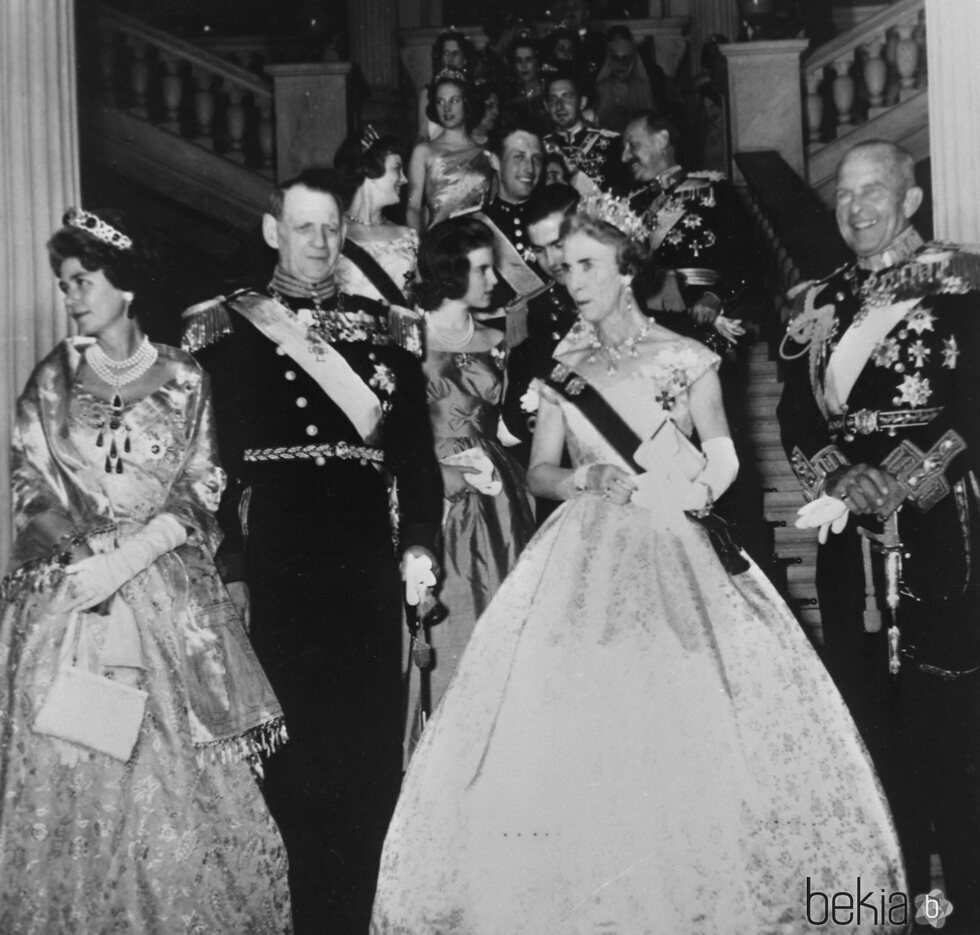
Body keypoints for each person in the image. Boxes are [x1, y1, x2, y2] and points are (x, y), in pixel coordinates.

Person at [370, 197, 906, 934]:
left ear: (627, 270)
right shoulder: (565, 364)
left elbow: (722, 454)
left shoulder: (687, 357)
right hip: (583, 553)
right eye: (565, 267)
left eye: (586, 265)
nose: (573, 278)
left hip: (674, 545)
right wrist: (582, 481)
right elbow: (539, 472)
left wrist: (695, 488)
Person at [0, 208, 291, 933]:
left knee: (168, 788)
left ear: (123, 286)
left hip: (163, 588)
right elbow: (26, 476)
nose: (71, 296)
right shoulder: (55, 376)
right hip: (72, 592)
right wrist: (83, 553)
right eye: (65, 283)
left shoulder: (185, 375)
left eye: (84, 280)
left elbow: (201, 484)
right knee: (73, 773)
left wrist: (137, 551)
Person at [183, 171, 443, 933]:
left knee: (364, 741)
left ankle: (361, 911)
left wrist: (420, 540)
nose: (322, 243)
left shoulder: (384, 325)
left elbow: (415, 457)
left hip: (361, 552)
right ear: (274, 232)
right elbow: (206, 464)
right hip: (276, 556)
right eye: (305, 228)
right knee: (287, 744)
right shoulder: (224, 327)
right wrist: (227, 561)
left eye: (332, 228)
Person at [777, 139, 980, 930]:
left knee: (949, 724)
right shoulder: (812, 301)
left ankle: (962, 901)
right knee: (868, 716)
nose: (856, 209)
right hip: (846, 533)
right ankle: (890, 898)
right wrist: (836, 476)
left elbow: (970, 407)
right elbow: (797, 413)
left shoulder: (962, 280)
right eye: (844, 195)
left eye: (874, 192)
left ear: (910, 199)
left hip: (938, 529)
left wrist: (904, 476)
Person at [406, 216, 535, 751]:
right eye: (482, 269)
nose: (492, 280)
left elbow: (501, 421)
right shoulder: (407, 334)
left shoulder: (499, 336)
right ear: (451, 271)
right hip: (433, 489)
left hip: (499, 493)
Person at [623, 111, 753, 351]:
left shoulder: (713, 189)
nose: (625, 157)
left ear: (662, 140)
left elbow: (745, 255)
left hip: (697, 317)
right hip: (643, 323)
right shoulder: (631, 204)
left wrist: (715, 296)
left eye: (632, 145)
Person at [501, 182, 580, 471]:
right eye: (540, 250)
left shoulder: (629, 294)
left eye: (559, 244)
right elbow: (517, 414)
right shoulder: (531, 312)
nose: (552, 261)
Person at [334, 128, 418, 306]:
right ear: (370, 172)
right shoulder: (332, 230)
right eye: (397, 169)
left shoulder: (408, 236)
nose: (404, 179)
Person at [406, 69, 494, 234]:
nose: (446, 108)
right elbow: (413, 208)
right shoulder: (424, 151)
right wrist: (417, 247)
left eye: (454, 100)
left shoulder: (485, 154)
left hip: (478, 242)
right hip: (440, 242)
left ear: (466, 103)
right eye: (440, 102)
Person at [542, 68, 628, 197]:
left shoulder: (612, 143)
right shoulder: (540, 147)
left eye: (567, 97)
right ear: (546, 106)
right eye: (553, 100)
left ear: (582, 103)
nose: (559, 106)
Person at [593, 25, 664, 134]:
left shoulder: (644, 85)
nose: (622, 64)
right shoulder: (602, 86)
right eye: (617, 57)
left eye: (625, 58)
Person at [416, 29, 474, 142]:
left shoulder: (470, 92)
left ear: (464, 59)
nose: (450, 58)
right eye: (446, 53)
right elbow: (422, 134)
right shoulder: (427, 93)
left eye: (455, 53)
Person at [501, 32, 549, 137]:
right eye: (519, 61)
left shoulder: (548, 92)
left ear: (537, 62)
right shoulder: (508, 94)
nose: (524, 66)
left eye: (529, 60)